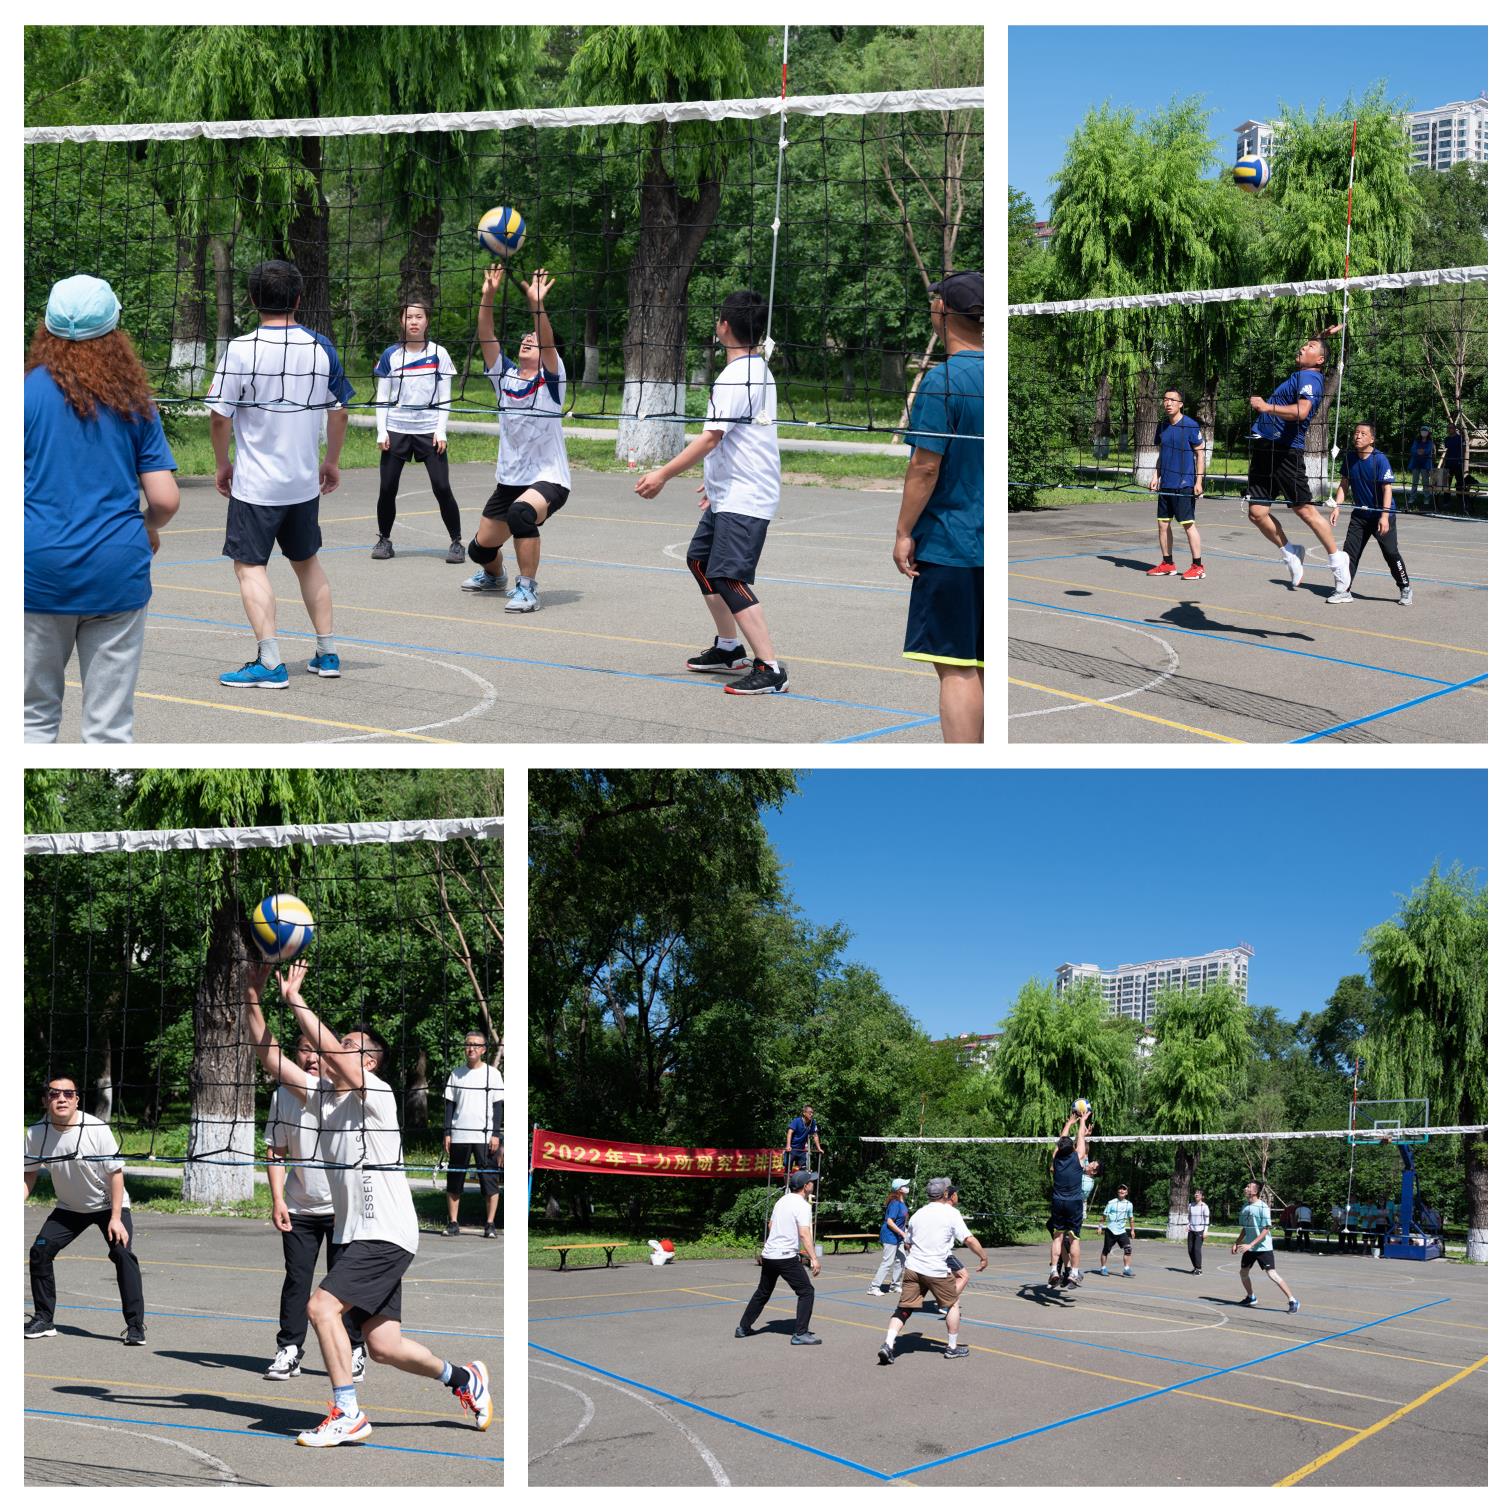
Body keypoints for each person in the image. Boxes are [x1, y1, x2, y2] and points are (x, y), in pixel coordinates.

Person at [242, 960, 493, 1446]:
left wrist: (295, 999)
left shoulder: (374, 1092)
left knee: (320, 1308)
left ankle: (347, 1412)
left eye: (349, 1045)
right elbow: (269, 1056)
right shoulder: (321, 1097)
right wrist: (253, 994)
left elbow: (331, 1052)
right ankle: (465, 1378)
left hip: (383, 1231)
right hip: (358, 1233)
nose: (335, 1049)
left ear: (369, 1062)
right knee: (383, 1345)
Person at [25, 274, 180, 742]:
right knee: (109, 729)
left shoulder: (22, 394)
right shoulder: (134, 401)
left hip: (35, 572)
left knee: (30, 719)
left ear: (46, 328)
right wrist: (149, 526)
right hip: (116, 570)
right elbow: (165, 499)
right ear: (114, 330)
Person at [634, 290, 789, 695]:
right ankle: (729, 648)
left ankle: (771, 668)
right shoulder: (754, 369)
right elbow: (739, 436)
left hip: (747, 495)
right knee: (700, 560)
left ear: (724, 326)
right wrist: (717, 478)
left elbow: (711, 437)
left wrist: (662, 475)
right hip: (732, 489)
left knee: (727, 576)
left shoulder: (737, 375)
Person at [209, 259, 352, 688]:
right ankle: (327, 653)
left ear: (252, 299)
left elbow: (219, 416)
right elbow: (340, 412)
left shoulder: (240, 349)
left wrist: (222, 463)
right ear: (299, 298)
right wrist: (331, 461)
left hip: (256, 486)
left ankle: (270, 663)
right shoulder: (321, 347)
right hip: (302, 483)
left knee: (250, 567)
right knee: (307, 563)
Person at [895, 271, 985, 743]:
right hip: (991, 546)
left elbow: (925, 468)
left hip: (952, 545)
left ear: (943, 311)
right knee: (981, 663)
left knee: (957, 669)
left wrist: (902, 532)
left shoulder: (943, 380)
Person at [258, 1029, 366, 1382]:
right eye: (304, 1050)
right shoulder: (283, 1095)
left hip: (342, 1209)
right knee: (297, 1280)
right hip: (299, 1207)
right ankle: (289, 1349)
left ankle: (354, 1348)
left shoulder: (346, 1092)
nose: (311, 1057)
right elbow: (276, 1151)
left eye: (317, 1050)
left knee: (345, 1285)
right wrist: (277, 1199)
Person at [463, 266, 570, 611]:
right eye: (526, 337)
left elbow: (547, 340)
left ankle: (527, 589)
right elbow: (486, 334)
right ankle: (495, 576)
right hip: (511, 478)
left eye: (534, 339)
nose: (528, 339)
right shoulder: (505, 376)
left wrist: (537, 304)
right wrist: (488, 295)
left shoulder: (552, 380)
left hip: (548, 477)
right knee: (479, 549)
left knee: (521, 514)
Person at [24, 1073, 146, 1344]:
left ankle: (135, 1326)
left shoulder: (95, 1128)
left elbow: (116, 1175)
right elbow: (29, 1173)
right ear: (45, 1100)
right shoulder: (36, 1133)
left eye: (68, 1094)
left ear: (77, 1100)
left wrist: (116, 1218)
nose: (62, 1098)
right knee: (40, 1251)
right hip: (69, 1208)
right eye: (54, 1094)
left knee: (122, 1254)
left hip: (108, 1205)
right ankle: (44, 1319)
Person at [1243, 329, 1351, 598]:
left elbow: (1302, 411)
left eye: (1310, 346)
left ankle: (1338, 561)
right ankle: (1291, 552)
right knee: (1257, 513)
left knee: (1305, 511)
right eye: (1305, 344)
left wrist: (1267, 407)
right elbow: (1316, 345)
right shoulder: (1303, 373)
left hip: (1285, 452)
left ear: (1320, 360)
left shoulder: (1310, 378)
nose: (1303, 347)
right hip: (1265, 448)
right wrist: (1321, 335)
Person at [370, 302, 464, 562]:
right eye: (409, 316)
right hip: (396, 429)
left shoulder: (439, 353)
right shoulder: (390, 355)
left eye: (419, 316)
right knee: (387, 488)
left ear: (427, 321)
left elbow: (445, 397)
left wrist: (441, 431)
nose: (414, 321)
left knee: (442, 487)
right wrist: (382, 431)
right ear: (401, 321)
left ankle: (457, 542)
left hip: (428, 431)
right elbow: (382, 397)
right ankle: (384, 540)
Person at [877, 1177, 988, 1364]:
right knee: (952, 1304)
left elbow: (908, 1242)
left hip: (913, 1268)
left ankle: (888, 1344)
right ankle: (952, 1348)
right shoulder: (951, 1213)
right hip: (936, 1269)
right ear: (945, 1194)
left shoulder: (918, 1214)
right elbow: (968, 1239)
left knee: (904, 1308)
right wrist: (983, 1257)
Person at [1326, 422, 1411, 607]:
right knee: (1349, 554)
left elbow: (1387, 489)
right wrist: (1337, 507)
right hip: (1360, 515)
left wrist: (1384, 516)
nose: (1358, 436)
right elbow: (1344, 484)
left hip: (1381, 514)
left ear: (1372, 439)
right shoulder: (1350, 458)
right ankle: (1344, 590)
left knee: (1391, 553)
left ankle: (1405, 587)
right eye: (1356, 433)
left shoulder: (1379, 459)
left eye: (1363, 433)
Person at [735, 1170, 822, 1345]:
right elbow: (804, 1234)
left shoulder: (781, 1201)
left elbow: (771, 1225)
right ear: (806, 1186)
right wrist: (814, 1258)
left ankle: (743, 1327)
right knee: (806, 1291)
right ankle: (800, 1333)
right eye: (811, 1181)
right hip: (785, 1257)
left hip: (769, 1255)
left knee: (763, 1292)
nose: (814, 1183)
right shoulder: (803, 1205)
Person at [442, 1029, 504, 1238]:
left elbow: (498, 1106)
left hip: (485, 1137)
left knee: (489, 1181)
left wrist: (495, 1134)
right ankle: (453, 1223)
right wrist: (447, 1133)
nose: (471, 1048)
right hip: (459, 1135)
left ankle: (490, 1224)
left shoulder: (493, 1074)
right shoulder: (455, 1074)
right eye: (468, 1044)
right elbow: (449, 1106)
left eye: (476, 1045)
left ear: (484, 1049)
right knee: (454, 1181)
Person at [1145, 388, 1206, 580]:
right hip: (1166, 484)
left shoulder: (1190, 425)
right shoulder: (1162, 426)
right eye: (1165, 399)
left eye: (1172, 400)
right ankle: (1167, 563)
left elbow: (1200, 454)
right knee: (1163, 524)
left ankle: (1198, 566)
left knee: (1188, 524)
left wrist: (1198, 481)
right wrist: (1155, 476)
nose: (1168, 403)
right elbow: (1162, 454)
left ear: (1180, 404)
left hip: (1184, 484)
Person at [1232, 1180, 1300, 1314]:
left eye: (1248, 1187)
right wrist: (1236, 1242)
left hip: (1263, 1247)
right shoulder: (1245, 1206)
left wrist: (1250, 1244)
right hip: (1249, 1247)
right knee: (1243, 1272)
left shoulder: (1262, 1207)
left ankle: (1293, 1300)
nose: (1245, 1188)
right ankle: (1251, 1297)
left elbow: (1266, 1230)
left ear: (1255, 1191)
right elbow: (1246, 1228)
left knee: (1272, 1274)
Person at [1047, 1106, 1092, 1287]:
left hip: (1058, 1202)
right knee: (1074, 1239)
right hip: (1073, 1203)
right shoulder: (1078, 1158)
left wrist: (1069, 1123)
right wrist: (1082, 1121)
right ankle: (1073, 1273)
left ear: (1059, 1149)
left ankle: (1053, 1271)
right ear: (1073, 1149)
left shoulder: (1056, 1160)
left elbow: (1062, 1141)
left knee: (1057, 1237)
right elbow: (1080, 1138)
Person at [868, 1178, 910, 1295]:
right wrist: (902, 1233)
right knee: (888, 1262)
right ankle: (874, 1287)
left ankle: (894, 1285)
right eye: (905, 1185)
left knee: (901, 1259)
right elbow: (890, 1222)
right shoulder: (895, 1203)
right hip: (890, 1235)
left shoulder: (902, 1203)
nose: (908, 1187)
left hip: (898, 1236)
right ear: (899, 1189)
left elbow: (902, 1222)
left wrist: (905, 1232)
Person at [1095, 1181, 1136, 1277]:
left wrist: (1132, 1230)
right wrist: (1100, 1227)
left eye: (1124, 1189)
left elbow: (1131, 1218)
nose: (1122, 1190)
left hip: (1122, 1231)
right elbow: (1104, 1216)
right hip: (1111, 1230)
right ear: (1118, 1191)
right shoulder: (1111, 1203)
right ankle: (1103, 1268)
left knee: (1128, 1249)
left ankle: (1126, 1269)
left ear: (1126, 1192)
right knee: (1106, 1250)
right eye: (1120, 1189)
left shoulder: (1129, 1204)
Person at [784, 1104, 823, 1174]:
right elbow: (790, 1132)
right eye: (810, 1113)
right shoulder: (797, 1121)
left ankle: (802, 1180)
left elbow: (815, 1135)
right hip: (792, 1148)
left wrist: (819, 1148)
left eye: (812, 1113)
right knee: (788, 1169)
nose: (811, 1114)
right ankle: (786, 1180)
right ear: (804, 1113)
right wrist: (788, 1145)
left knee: (803, 1169)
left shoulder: (813, 1122)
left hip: (802, 1150)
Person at [1407, 425, 1435, 508]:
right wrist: (1420, 451)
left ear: (1428, 432)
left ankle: (1426, 498)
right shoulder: (1416, 441)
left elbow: (1428, 450)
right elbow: (1413, 450)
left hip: (1425, 464)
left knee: (1425, 482)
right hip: (1416, 463)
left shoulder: (1430, 442)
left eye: (1425, 430)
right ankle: (1412, 498)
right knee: (1414, 482)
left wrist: (1421, 451)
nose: (1424, 432)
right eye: (1422, 430)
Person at [1441, 423, 1466, 510]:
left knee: (1460, 483)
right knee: (1447, 484)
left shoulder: (1460, 438)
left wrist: (1462, 461)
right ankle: (1446, 502)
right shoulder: (1446, 439)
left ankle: (1462, 501)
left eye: (1451, 428)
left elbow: (1464, 450)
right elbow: (1445, 452)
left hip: (1458, 464)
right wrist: (1444, 463)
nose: (1449, 429)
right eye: (1448, 428)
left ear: (1455, 429)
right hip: (1448, 464)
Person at [1187, 1188, 1210, 1275]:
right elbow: (1189, 1217)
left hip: (1200, 1231)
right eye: (1195, 1193)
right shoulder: (1191, 1205)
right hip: (1191, 1230)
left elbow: (1207, 1220)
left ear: (1202, 1196)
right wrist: (1188, 1225)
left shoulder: (1204, 1206)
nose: (1196, 1195)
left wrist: (1205, 1231)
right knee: (1190, 1250)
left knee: (1196, 1249)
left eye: (1199, 1194)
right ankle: (1195, 1267)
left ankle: (1199, 1269)